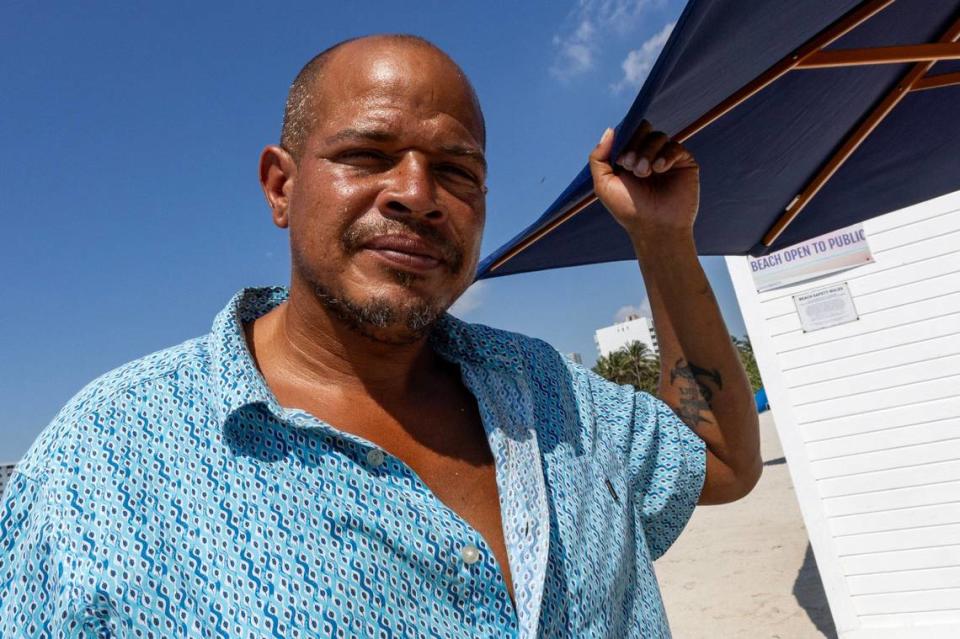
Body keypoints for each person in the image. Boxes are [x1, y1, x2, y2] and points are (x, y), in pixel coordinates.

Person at [0, 34, 761, 638]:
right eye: (366, 156)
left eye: (457, 171)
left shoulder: (548, 394)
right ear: (280, 185)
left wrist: (662, 239)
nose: (418, 194)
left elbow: (721, 461)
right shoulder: (103, 468)